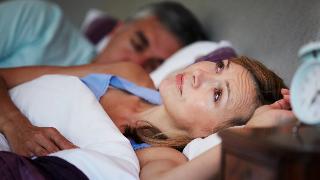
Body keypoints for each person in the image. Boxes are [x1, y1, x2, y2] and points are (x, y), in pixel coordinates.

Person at [0, 55, 295, 179]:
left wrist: (254, 136)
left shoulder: (163, 157)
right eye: (219, 66)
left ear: (209, 132)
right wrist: (16, 125)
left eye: (217, 95)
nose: (199, 75)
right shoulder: (128, 75)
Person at [0, 0, 207, 72]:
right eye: (136, 44)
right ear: (117, 29)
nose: (135, 63)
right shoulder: (40, 20)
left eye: (153, 66)